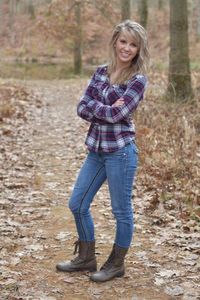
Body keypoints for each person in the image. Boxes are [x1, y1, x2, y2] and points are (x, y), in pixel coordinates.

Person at [56, 19, 149, 282]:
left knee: (121, 211)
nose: (127, 48)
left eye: (133, 44)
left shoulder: (138, 80)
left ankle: (116, 264)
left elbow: (119, 113)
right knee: (77, 203)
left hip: (121, 151)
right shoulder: (100, 72)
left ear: (138, 49)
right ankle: (86, 257)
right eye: (123, 41)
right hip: (96, 150)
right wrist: (106, 109)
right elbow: (82, 107)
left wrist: (100, 107)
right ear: (115, 41)